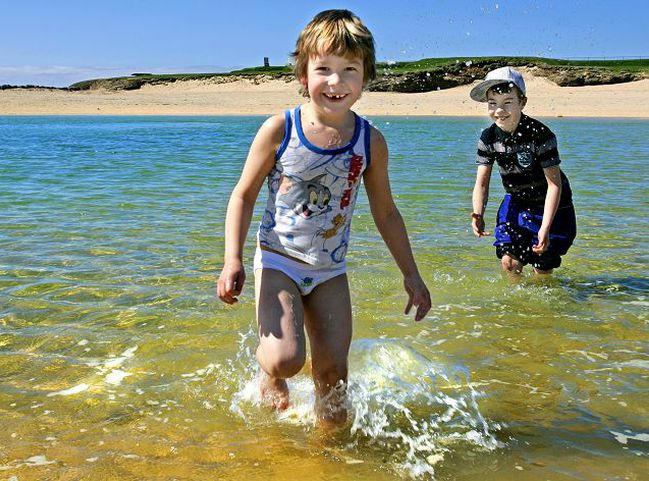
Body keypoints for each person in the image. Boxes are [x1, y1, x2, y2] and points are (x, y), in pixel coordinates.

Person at [216, 9, 431, 427]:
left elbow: (386, 212)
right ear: (303, 75)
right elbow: (242, 194)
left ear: (365, 77)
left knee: (333, 378)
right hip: (279, 260)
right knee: (285, 361)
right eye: (324, 69)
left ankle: (327, 458)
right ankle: (267, 372)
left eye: (349, 70)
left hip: (331, 269)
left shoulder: (370, 141)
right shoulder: (281, 129)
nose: (336, 82)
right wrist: (233, 259)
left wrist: (411, 273)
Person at [469, 66, 577, 276]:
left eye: (508, 103)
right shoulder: (488, 138)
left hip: (552, 204)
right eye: (493, 104)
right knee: (509, 261)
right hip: (517, 200)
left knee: (542, 266)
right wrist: (478, 213)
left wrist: (544, 228)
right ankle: (515, 307)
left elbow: (555, 185)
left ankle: (543, 304)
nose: (499, 111)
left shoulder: (540, 135)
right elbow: (481, 183)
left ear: (522, 102)